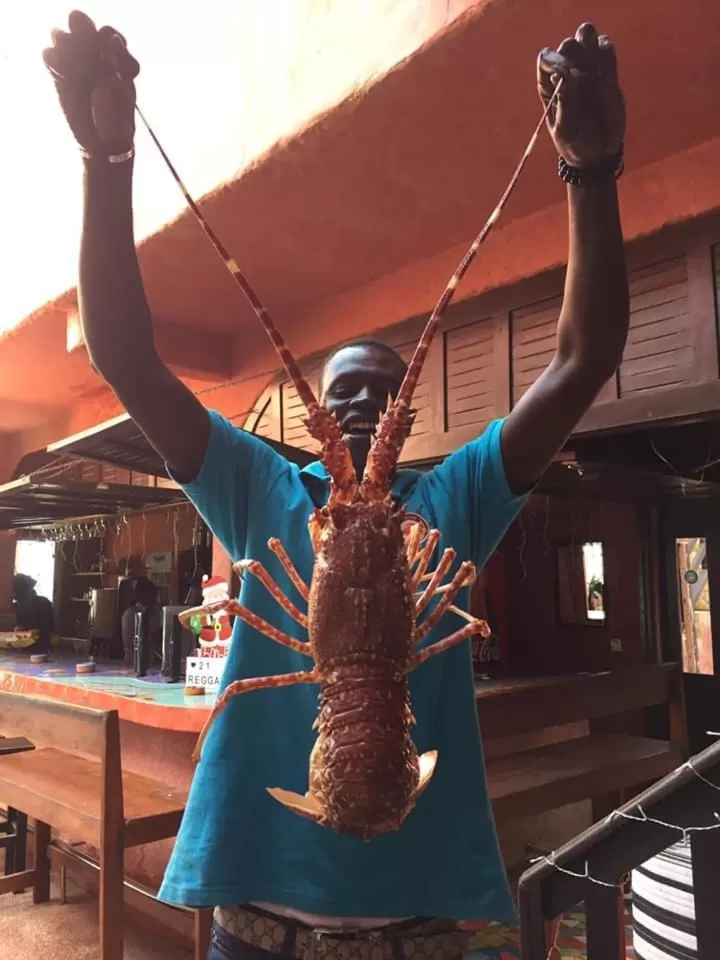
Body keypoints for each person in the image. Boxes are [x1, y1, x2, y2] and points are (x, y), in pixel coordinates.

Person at [43, 12, 628, 959]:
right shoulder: (263, 490)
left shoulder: (454, 505)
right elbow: (123, 353)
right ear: (314, 424)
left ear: (409, 422)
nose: (362, 408)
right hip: (258, 923)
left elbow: (582, 357)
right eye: (341, 394)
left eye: (385, 396)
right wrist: (105, 165)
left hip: (422, 929)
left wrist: (590, 173)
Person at [120, 575, 162, 668]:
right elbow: (129, 642)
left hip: (152, 663)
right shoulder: (130, 614)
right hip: (132, 663)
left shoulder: (155, 613)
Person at [12, 574, 54, 655]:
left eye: (16, 593)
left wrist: (36, 630)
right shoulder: (18, 605)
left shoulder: (44, 603)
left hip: (41, 648)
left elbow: (49, 627)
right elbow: (19, 625)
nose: (14, 597)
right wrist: (18, 628)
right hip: (23, 648)